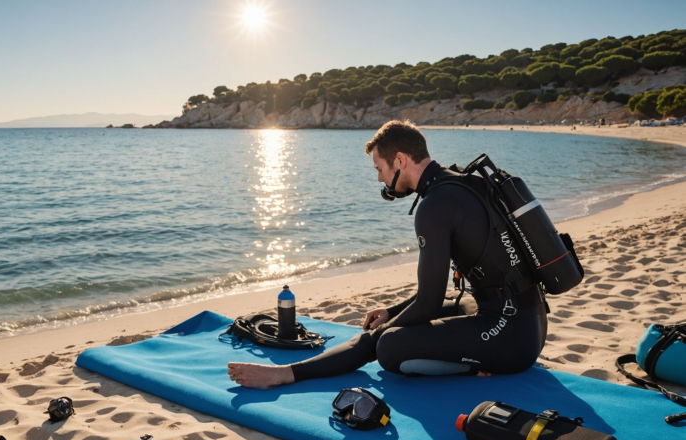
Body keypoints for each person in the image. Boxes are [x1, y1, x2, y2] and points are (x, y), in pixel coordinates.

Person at [228, 120, 548, 389]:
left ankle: (284, 375)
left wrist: (381, 331)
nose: (379, 178)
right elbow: (438, 296)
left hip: (511, 339)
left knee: (389, 346)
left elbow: (428, 303)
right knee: (457, 305)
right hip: (532, 323)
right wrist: (392, 310)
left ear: (399, 160)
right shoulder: (464, 183)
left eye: (379, 168)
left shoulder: (434, 206)